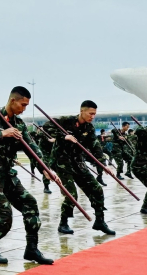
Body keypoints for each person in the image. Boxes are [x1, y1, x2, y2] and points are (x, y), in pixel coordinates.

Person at [0, 86, 55, 265]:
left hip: (7, 175)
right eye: (23, 105)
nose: (24, 109)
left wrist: (46, 169)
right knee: (4, 214)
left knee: (30, 204)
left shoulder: (19, 125)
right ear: (13, 101)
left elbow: (32, 147)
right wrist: (2, 133)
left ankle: (32, 249)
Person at [42, 100, 115, 235]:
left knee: (96, 189)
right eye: (90, 113)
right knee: (72, 194)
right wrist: (64, 136)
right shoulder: (66, 121)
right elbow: (46, 127)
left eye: (94, 114)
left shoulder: (89, 128)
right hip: (61, 162)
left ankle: (99, 220)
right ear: (82, 111)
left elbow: (95, 147)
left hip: (78, 162)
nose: (92, 117)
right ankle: (63, 223)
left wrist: (103, 164)